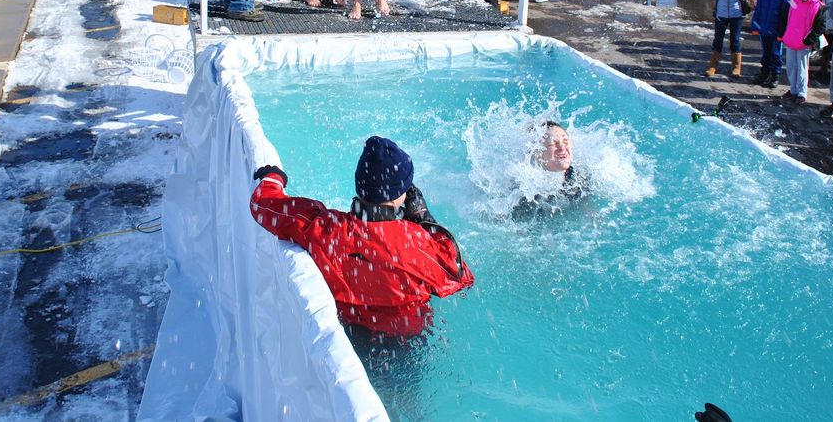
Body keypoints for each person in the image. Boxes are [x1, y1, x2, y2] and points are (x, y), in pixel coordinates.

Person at [249, 136, 474, 339]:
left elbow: (262, 204)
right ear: (399, 195)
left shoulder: (324, 228)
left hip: (348, 332)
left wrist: (273, 177)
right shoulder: (418, 244)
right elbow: (460, 277)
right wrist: (425, 219)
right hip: (407, 340)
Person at [513, 122, 588, 219]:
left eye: (565, 142)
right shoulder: (523, 191)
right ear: (537, 152)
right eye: (553, 143)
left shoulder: (580, 179)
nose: (562, 148)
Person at [705, 0, 752, 78]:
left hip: (737, 13)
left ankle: (736, 67)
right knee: (718, 39)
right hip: (721, 13)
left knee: (735, 40)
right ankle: (713, 66)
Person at [780, 0, 827, 104]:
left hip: (804, 42)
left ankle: (802, 92)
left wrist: (810, 40)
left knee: (802, 68)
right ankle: (793, 89)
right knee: (791, 67)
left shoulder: (818, 6)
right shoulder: (793, 0)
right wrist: (783, 32)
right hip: (791, 38)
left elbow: (820, 26)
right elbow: (785, 16)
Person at [751, 0, 790, 88]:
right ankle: (764, 73)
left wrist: (782, 33)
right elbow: (758, 11)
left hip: (776, 31)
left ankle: (775, 75)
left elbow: (786, 17)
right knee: (766, 52)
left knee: (776, 54)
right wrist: (755, 25)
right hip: (764, 29)